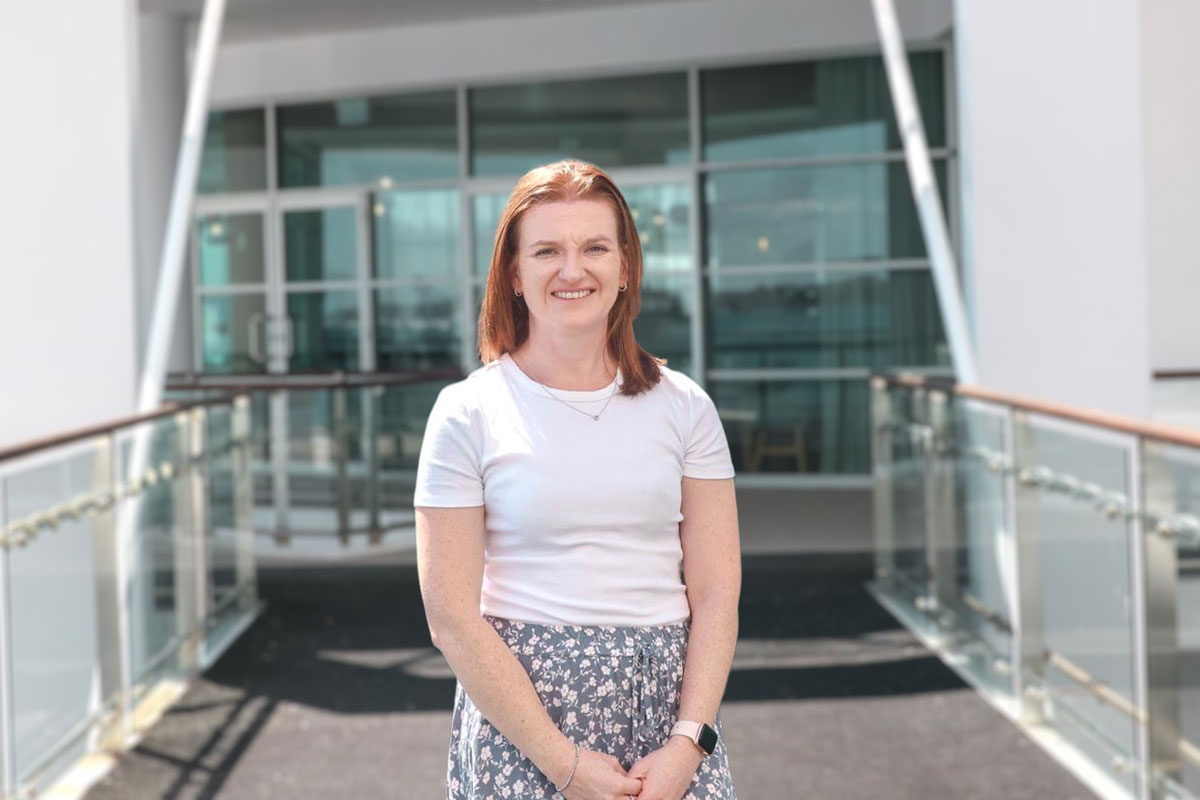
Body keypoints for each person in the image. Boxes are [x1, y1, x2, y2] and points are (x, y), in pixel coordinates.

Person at [414, 159, 740, 800]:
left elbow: (716, 592)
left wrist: (688, 742)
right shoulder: (467, 412)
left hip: (669, 724)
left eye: (595, 247)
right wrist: (562, 763)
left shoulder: (686, 407)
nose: (572, 270)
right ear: (514, 274)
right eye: (547, 251)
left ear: (626, 267)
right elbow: (450, 617)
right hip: (524, 725)